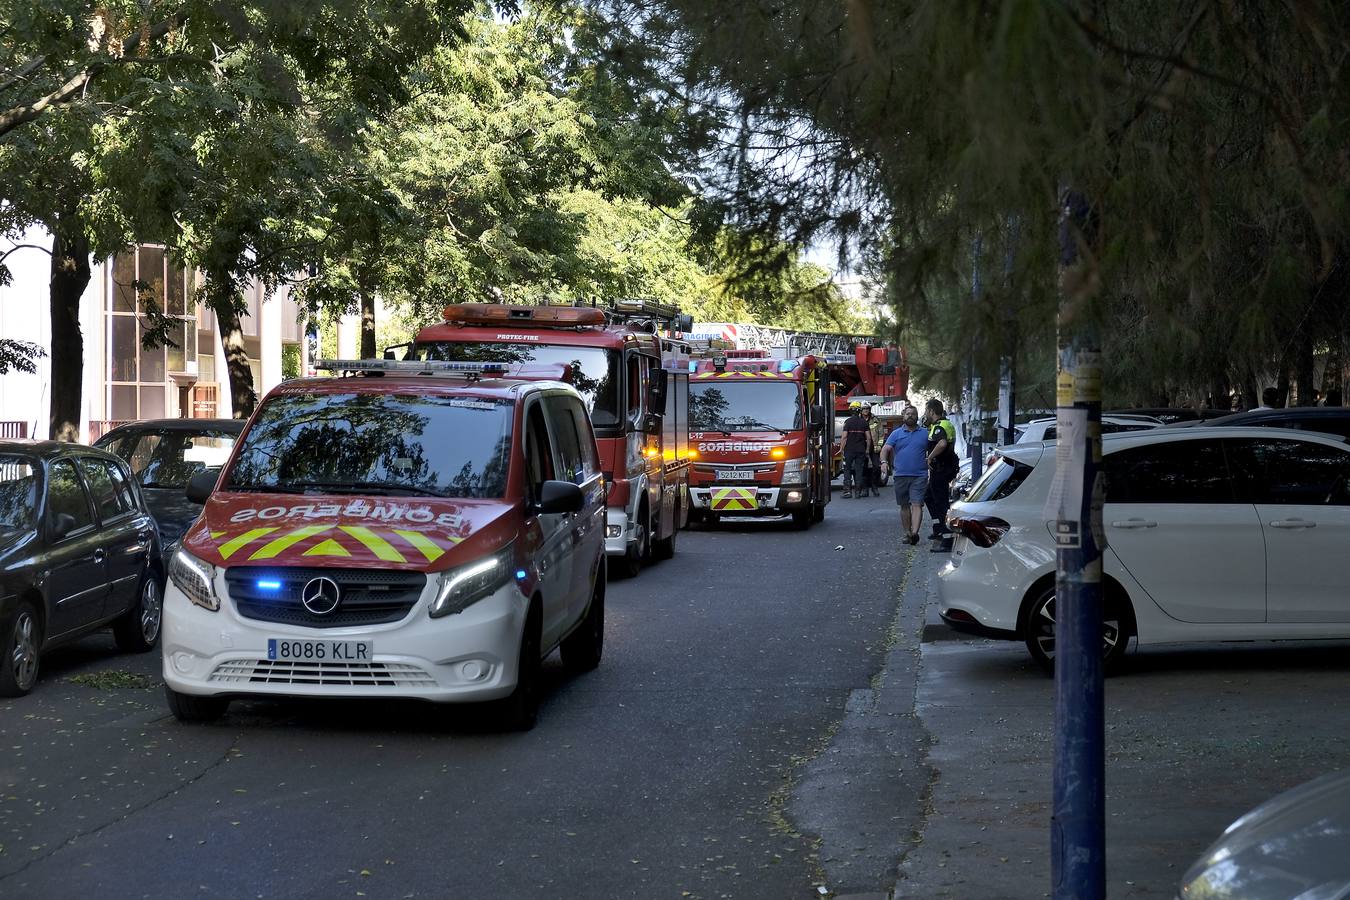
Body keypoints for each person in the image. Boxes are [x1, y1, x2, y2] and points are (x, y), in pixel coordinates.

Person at [880, 404, 928, 544]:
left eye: (913, 413)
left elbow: (934, 449)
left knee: (917, 504)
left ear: (917, 416)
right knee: (904, 505)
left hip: (920, 475)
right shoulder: (896, 434)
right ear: (903, 416)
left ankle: (914, 534)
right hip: (900, 475)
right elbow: (886, 449)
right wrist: (883, 462)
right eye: (908, 414)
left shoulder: (925, 433)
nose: (910, 416)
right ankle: (907, 532)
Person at [923, 399, 958, 544]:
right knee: (929, 497)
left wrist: (930, 458)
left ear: (931, 411)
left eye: (926, 411)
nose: (925, 414)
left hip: (941, 469)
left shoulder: (940, 427)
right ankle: (938, 528)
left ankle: (947, 539)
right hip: (943, 469)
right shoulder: (944, 424)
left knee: (941, 503)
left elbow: (942, 443)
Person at [840, 401, 872, 498]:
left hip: (849, 450)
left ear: (851, 410)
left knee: (847, 470)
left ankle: (847, 492)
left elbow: (844, 437)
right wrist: (867, 449)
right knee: (859, 471)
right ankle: (858, 492)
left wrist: (841, 449)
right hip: (860, 450)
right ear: (859, 411)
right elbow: (869, 438)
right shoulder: (864, 422)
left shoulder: (848, 422)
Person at [865, 407, 886, 497]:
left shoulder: (876, 420)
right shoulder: (859, 420)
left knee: (877, 467)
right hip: (863, 447)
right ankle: (865, 489)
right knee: (863, 468)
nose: (866, 410)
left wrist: (879, 445)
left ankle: (874, 487)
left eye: (867, 409)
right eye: (864, 409)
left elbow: (881, 434)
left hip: (874, 447)